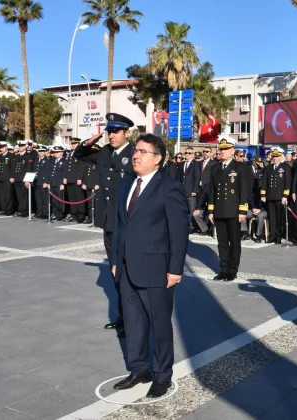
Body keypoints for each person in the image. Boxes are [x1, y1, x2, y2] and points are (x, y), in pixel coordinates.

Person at [111, 133, 188, 399]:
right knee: (133, 323)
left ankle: (162, 375)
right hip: (126, 267)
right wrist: (115, 260)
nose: (136, 155)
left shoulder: (170, 187)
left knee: (160, 324)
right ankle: (139, 368)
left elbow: (179, 232)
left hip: (157, 268)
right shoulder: (126, 184)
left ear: (158, 159)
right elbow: (120, 226)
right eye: (136, 150)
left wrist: (176, 269)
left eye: (143, 151)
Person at [73, 113, 136, 336]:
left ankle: (132, 320)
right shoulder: (104, 153)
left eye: (116, 132)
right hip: (109, 222)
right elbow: (79, 155)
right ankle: (122, 316)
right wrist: (88, 142)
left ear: (127, 133)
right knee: (116, 272)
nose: (111, 136)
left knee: (130, 273)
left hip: (128, 222)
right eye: (109, 132)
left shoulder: (135, 153)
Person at [194, 136, 251, 280]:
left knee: (234, 242)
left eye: (226, 149)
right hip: (219, 210)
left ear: (233, 150)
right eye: (221, 149)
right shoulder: (215, 168)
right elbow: (212, 190)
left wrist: (243, 210)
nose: (223, 152)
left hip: (234, 210)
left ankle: (232, 270)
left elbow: (244, 190)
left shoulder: (240, 167)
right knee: (222, 243)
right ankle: (223, 269)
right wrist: (211, 211)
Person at [261, 147, 292, 244]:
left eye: (276, 156)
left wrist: (285, 196)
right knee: (272, 217)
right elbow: (264, 182)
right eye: (273, 156)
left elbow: (287, 182)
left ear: (280, 156)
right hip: (270, 196)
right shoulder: (268, 168)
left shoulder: (285, 167)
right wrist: (263, 194)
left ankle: (279, 236)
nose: (274, 158)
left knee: (279, 218)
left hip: (280, 197)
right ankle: (272, 235)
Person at [179, 147, 202, 233]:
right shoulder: (182, 164)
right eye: (186, 153)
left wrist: (194, 190)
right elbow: (180, 178)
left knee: (191, 210)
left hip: (191, 191)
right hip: (182, 191)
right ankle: (184, 225)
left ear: (192, 154)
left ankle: (191, 227)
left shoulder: (195, 164)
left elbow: (197, 178)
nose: (187, 155)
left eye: (189, 153)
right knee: (183, 210)